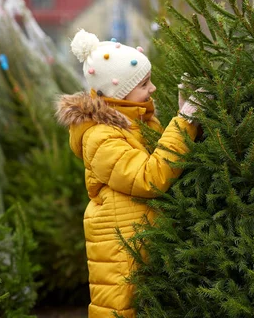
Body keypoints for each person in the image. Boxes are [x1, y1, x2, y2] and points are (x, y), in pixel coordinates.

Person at [56, 29, 199, 318]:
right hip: (121, 250)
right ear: (120, 93)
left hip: (140, 242)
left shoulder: (134, 123)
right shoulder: (101, 137)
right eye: (144, 83)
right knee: (119, 310)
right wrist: (184, 122)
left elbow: (161, 153)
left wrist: (183, 114)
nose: (153, 89)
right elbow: (150, 177)